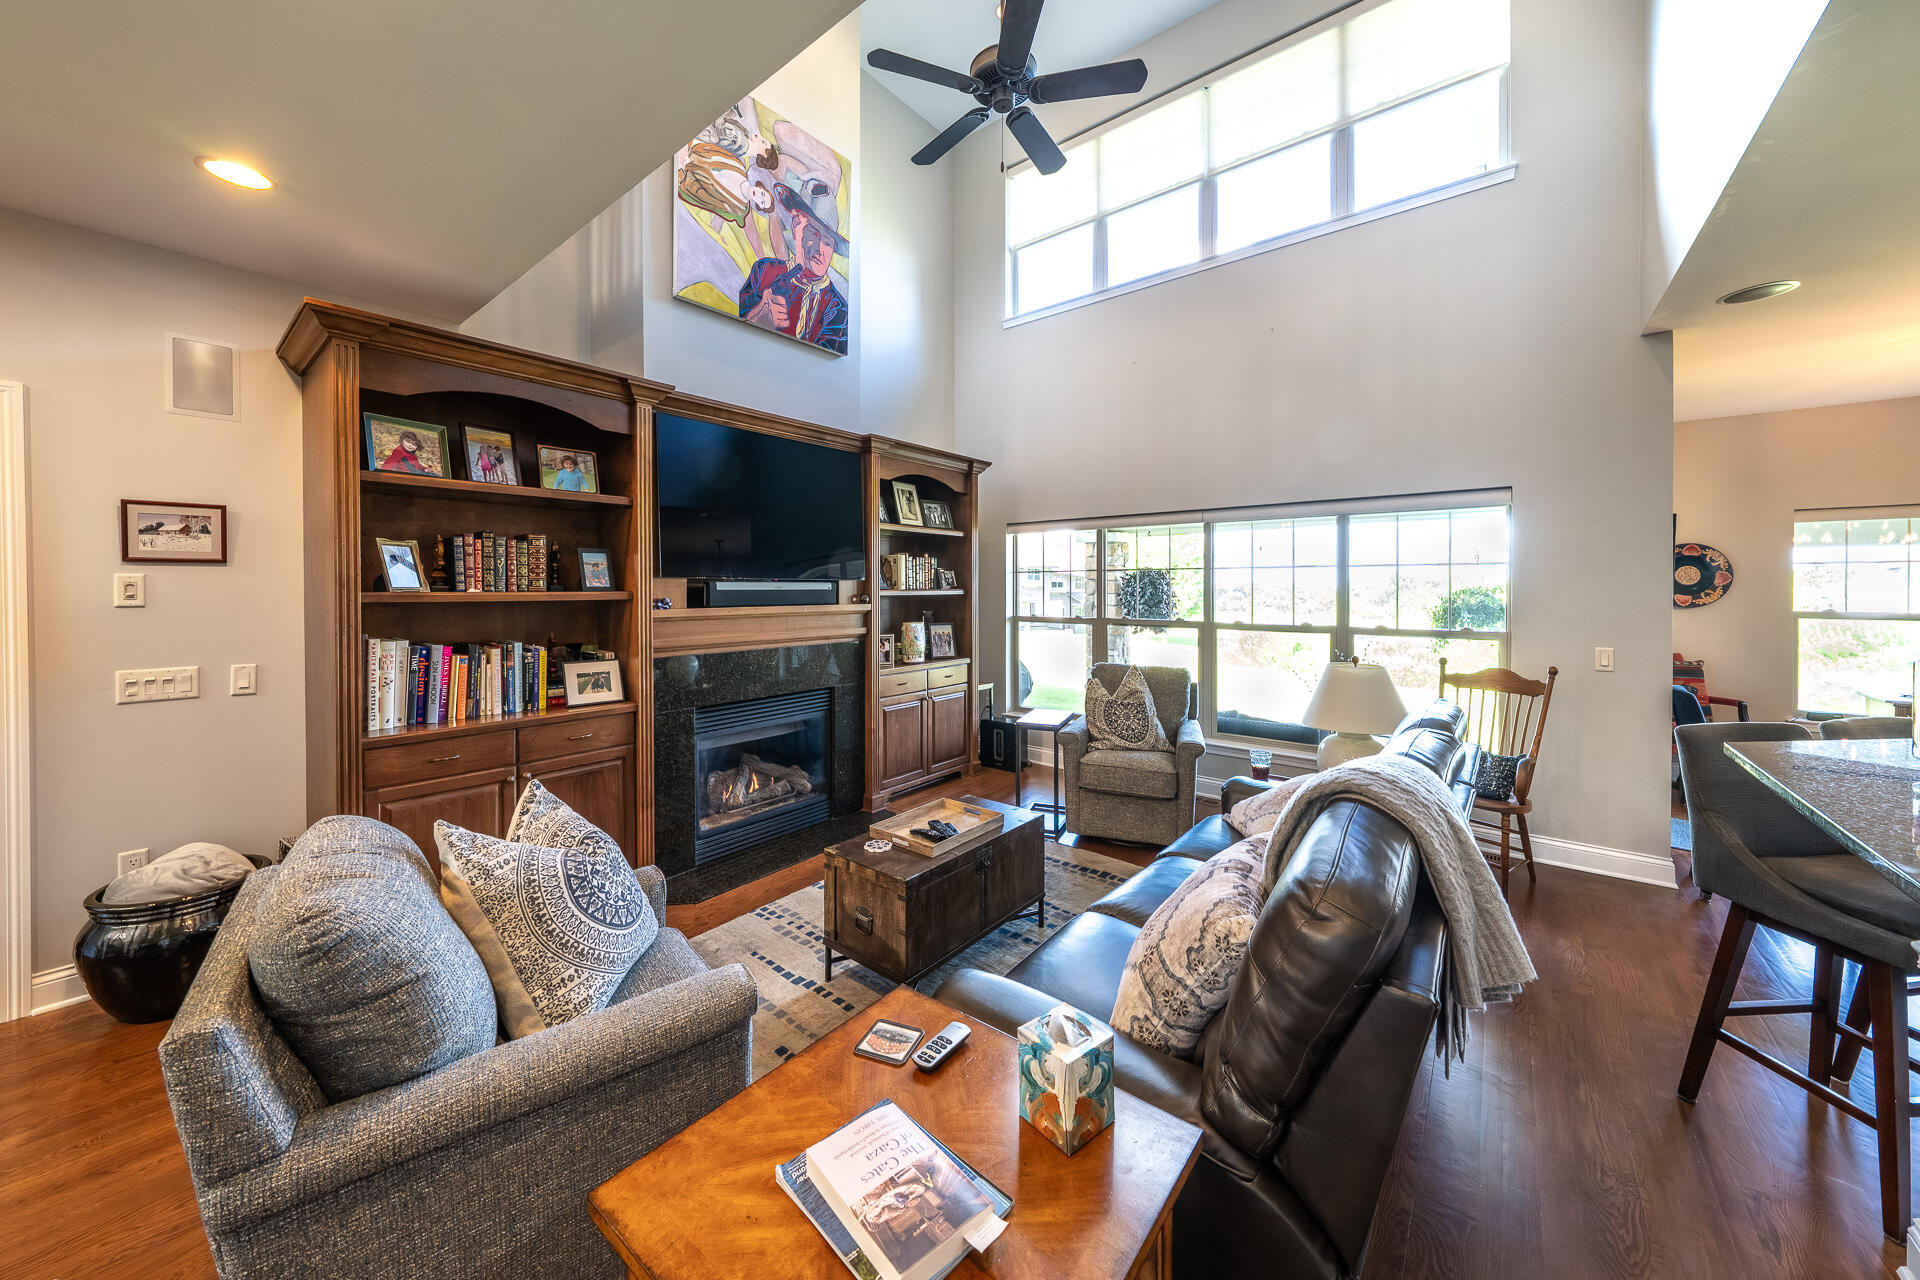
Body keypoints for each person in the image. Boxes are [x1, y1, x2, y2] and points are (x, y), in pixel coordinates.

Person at [738, 179, 850, 354]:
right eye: (814, 233)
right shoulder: (764, 271)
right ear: (796, 223)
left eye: (828, 242)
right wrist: (759, 317)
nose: (820, 249)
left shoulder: (837, 308)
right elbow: (735, 335)